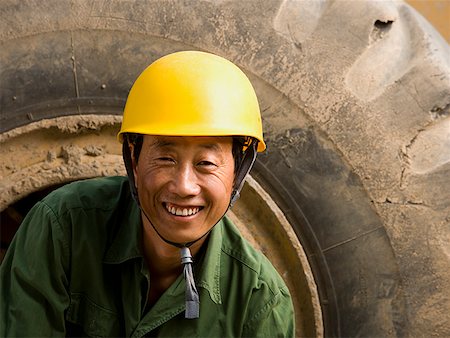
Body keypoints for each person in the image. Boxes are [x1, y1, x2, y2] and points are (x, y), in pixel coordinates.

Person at [0, 51, 295, 337]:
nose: (184, 186)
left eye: (206, 164)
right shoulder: (62, 227)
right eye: (166, 159)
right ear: (133, 159)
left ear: (238, 172)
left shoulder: (260, 303)